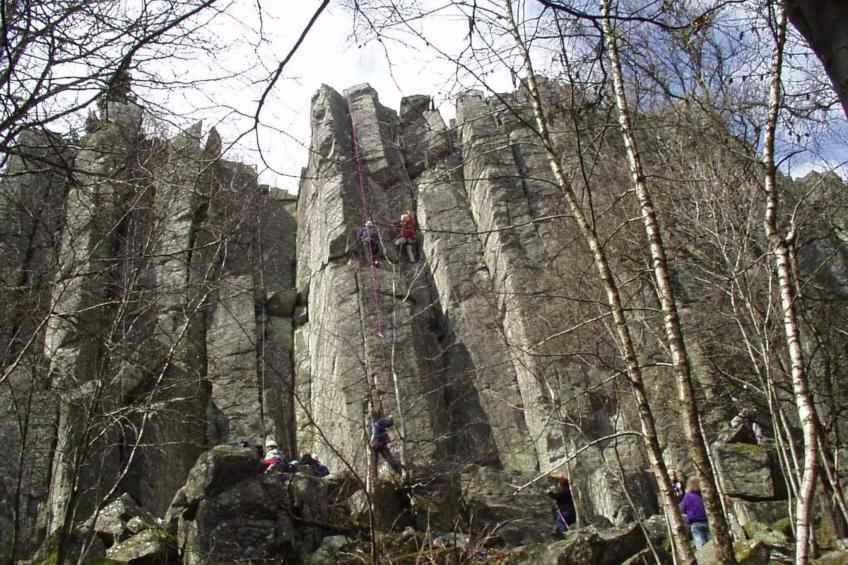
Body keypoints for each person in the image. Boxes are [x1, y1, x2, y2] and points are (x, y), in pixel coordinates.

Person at [367, 409, 402, 474]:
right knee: (390, 459)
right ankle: (399, 473)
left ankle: (374, 479)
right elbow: (390, 423)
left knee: (374, 463)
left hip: (372, 444)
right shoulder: (380, 421)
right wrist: (391, 417)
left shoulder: (369, 423)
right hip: (381, 443)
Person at [680, 477, 711, 549]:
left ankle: (703, 558)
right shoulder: (702, 495)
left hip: (695, 523)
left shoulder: (687, 496)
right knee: (711, 542)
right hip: (707, 520)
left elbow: (683, 509)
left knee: (700, 544)